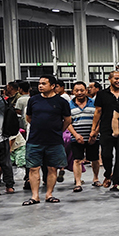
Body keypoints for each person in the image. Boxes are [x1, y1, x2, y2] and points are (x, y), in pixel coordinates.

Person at [22, 76, 71, 206]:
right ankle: (35, 196)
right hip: (35, 140)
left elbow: (67, 120)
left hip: (54, 141)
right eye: (39, 84)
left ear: (53, 86)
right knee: (33, 168)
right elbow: (29, 117)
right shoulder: (33, 100)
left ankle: (49, 194)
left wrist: (57, 130)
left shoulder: (61, 102)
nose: (40, 86)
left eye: (44, 83)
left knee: (52, 168)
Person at [92, 70, 119, 190]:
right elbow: (98, 112)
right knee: (106, 154)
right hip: (106, 128)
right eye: (116, 78)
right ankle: (108, 173)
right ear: (109, 79)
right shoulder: (102, 94)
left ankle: (117, 179)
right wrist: (94, 129)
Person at [67, 81, 99, 192]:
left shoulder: (94, 103)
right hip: (77, 137)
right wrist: (75, 135)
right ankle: (78, 182)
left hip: (92, 137)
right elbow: (67, 122)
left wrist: (94, 133)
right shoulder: (69, 105)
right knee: (77, 159)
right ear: (73, 92)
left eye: (82, 90)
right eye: (77, 90)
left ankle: (96, 178)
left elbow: (99, 119)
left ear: (86, 90)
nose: (79, 92)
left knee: (94, 159)